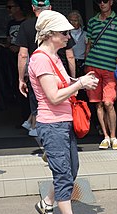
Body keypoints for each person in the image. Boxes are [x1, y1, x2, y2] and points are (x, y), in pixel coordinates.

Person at [30, 10, 100, 214]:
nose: (68, 37)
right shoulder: (40, 58)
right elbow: (54, 96)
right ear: (50, 34)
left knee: (71, 170)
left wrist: (80, 81)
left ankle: (46, 203)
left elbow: (62, 83)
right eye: (64, 33)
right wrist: (79, 83)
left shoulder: (54, 57)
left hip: (63, 122)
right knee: (63, 174)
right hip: (51, 124)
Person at [17, 0, 76, 136]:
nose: (67, 36)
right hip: (53, 73)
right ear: (50, 7)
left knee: (38, 101)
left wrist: (21, 78)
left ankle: (39, 131)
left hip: (41, 74)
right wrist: (75, 79)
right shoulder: (43, 56)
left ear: (33, 8)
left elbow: (23, 55)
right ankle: (45, 137)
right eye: (65, 33)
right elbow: (70, 55)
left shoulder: (26, 26)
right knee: (47, 103)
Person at [85, 0, 117, 150]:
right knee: (98, 103)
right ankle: (105, 136)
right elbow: (89, 44)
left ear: (111, 2)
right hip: (92, 65)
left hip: (110, 67)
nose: (101, 4)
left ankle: (113, 136)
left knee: (109, 102)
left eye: (105, 1)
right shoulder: (92, 22)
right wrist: (85, 63)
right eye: (99, 1)